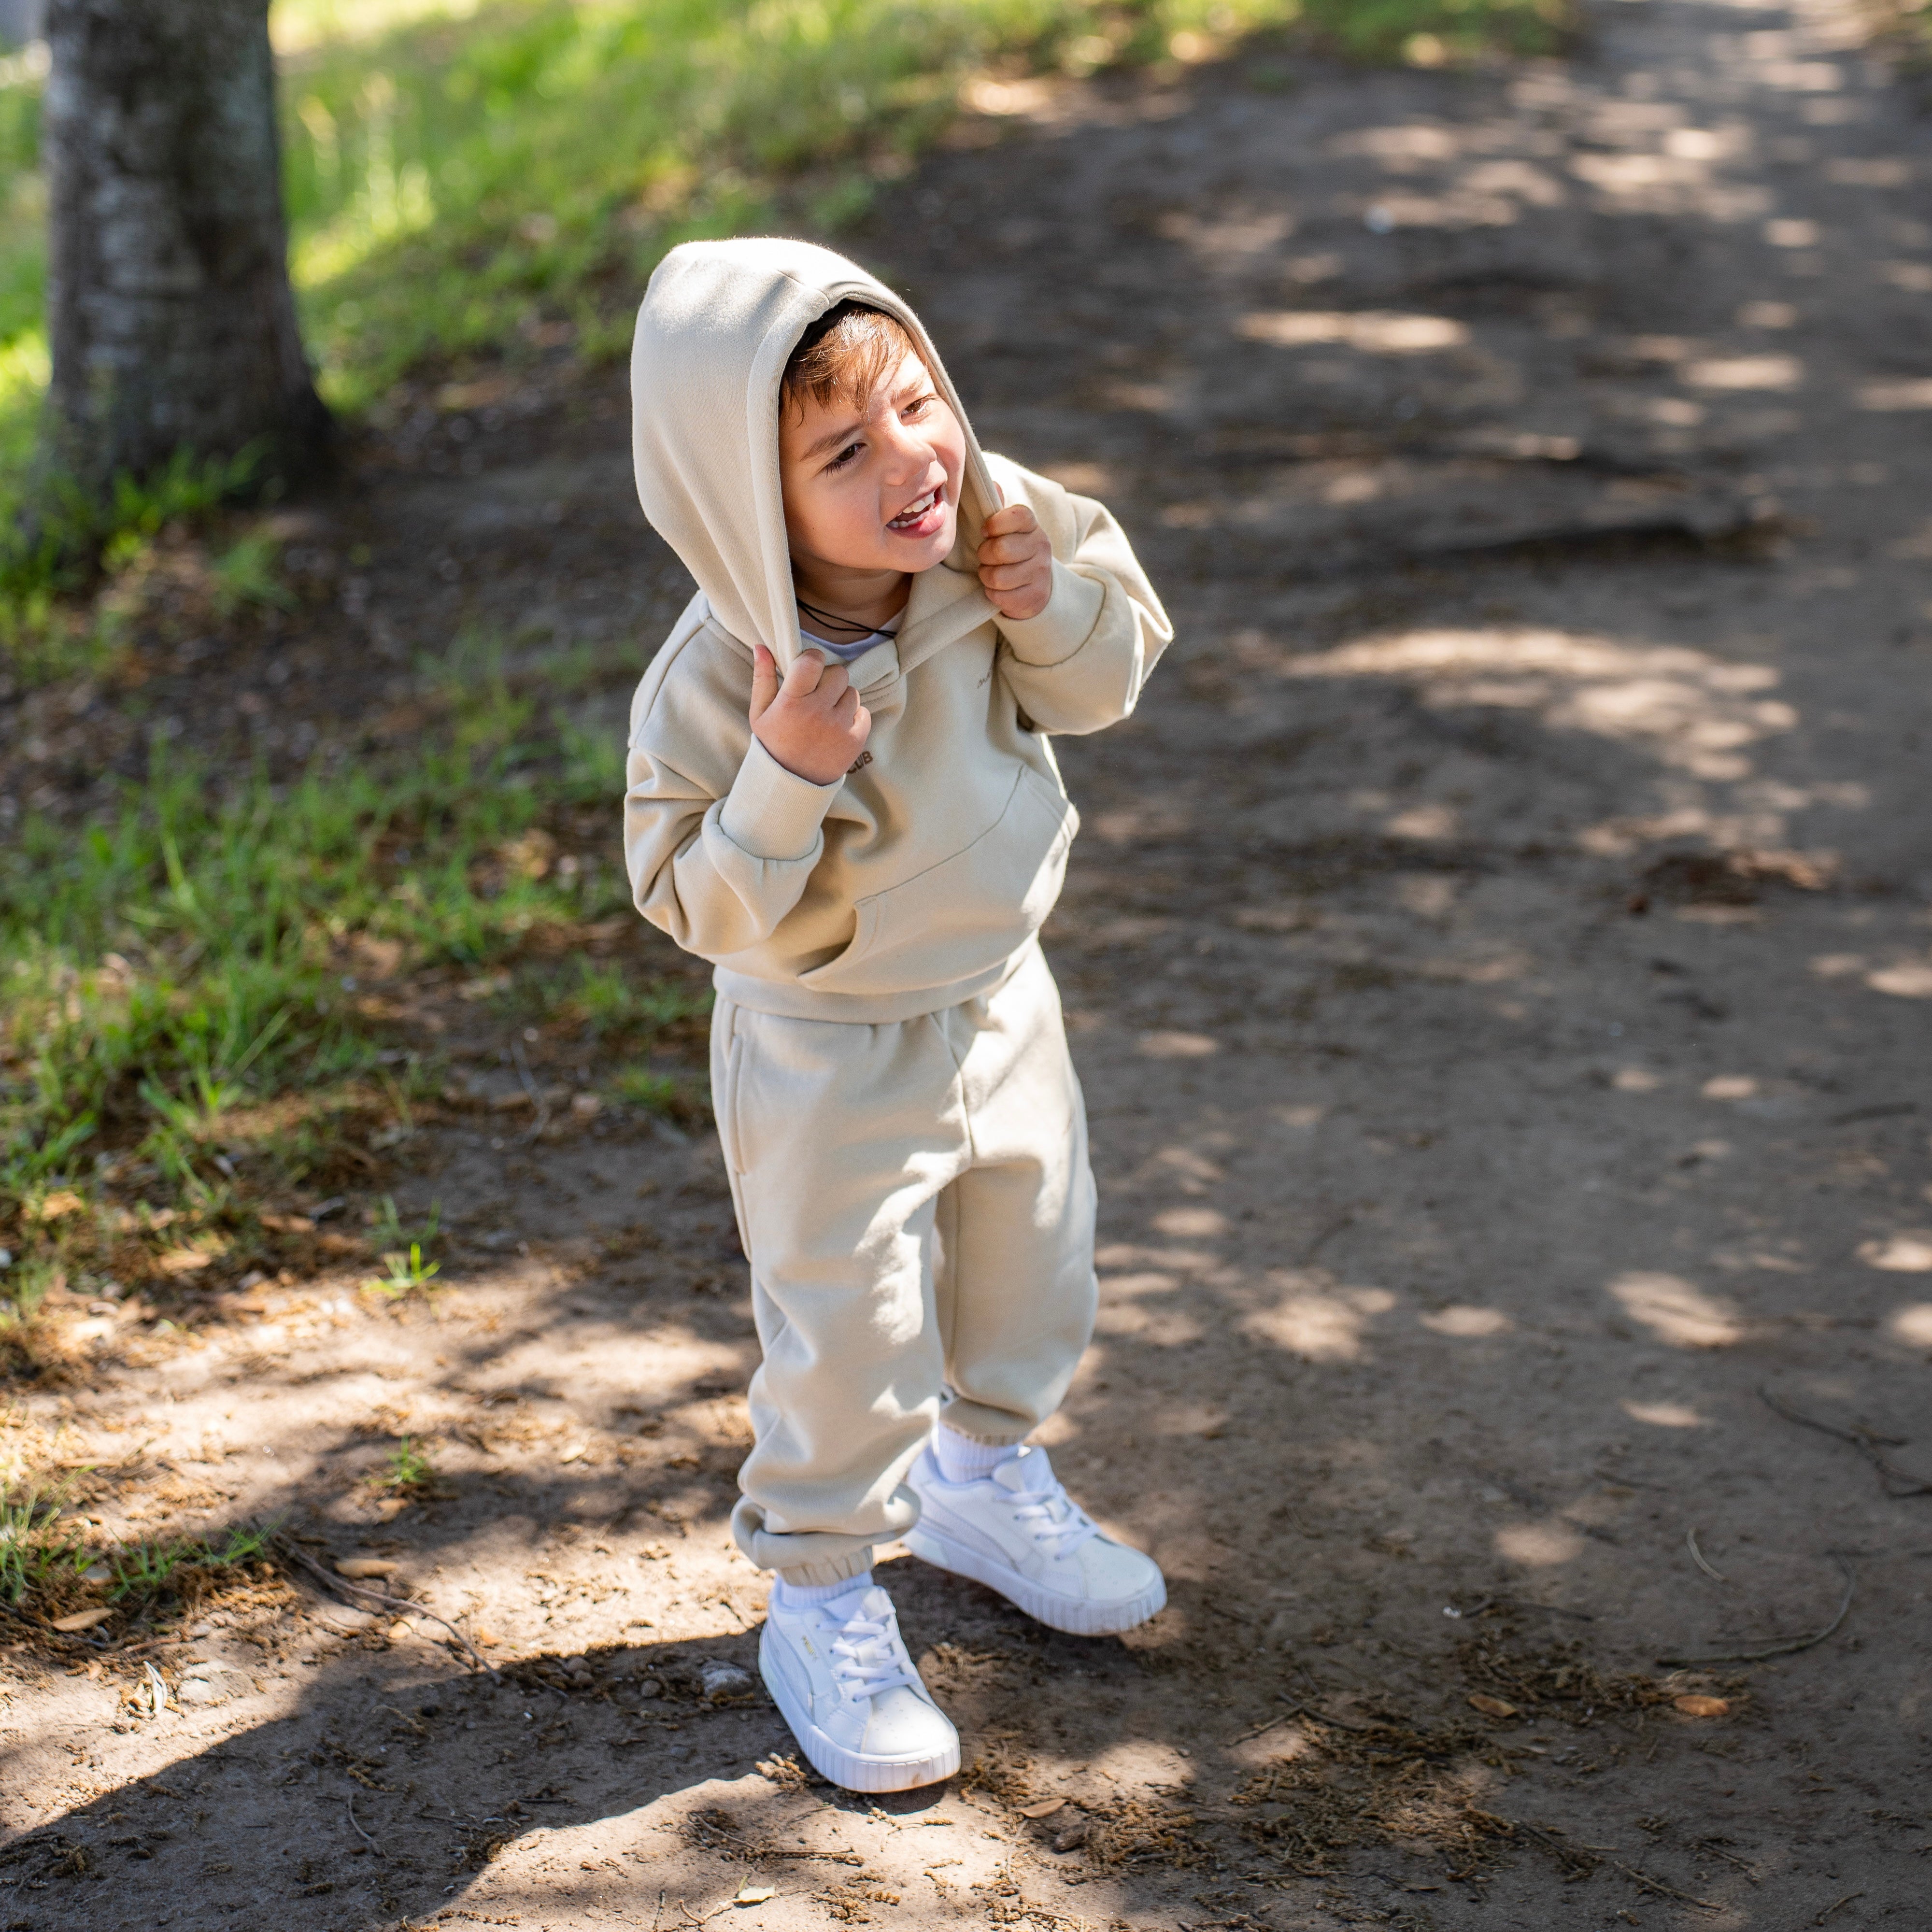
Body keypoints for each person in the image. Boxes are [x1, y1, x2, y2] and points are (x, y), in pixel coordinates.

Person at [624, 237, 1173, 1793]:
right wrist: (784, 775)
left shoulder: (994, 521)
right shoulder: (719, 685)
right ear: (747, 498)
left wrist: (1051, 602)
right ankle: (821, 1599)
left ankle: (987, 1476)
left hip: (1002, 991)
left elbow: (1108, 679)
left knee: (1034, 1252)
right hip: (827, 1044)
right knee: (849, 1329)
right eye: (844, 453)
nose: (914, 463)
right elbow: (693, 903)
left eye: (920, 406)